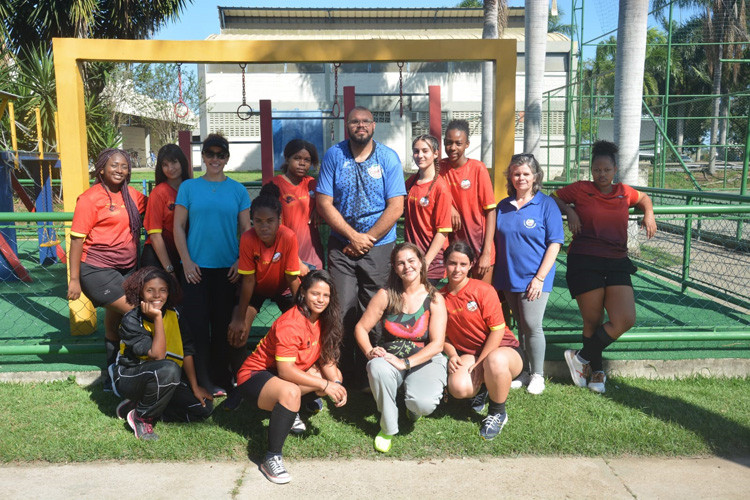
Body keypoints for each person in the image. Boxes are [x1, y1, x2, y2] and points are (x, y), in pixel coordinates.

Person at [552, 140, 657, 394]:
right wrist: (570, 211)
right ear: (591, 170)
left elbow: (643, 197)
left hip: (617, 260)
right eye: (597, 170)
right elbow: (553, 198)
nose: (601, 174)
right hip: (585, 258)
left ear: (615, 170)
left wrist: (649, 212)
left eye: (606, 170)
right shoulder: (580, 189)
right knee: (593, 319)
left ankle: (581, 357)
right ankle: (596, 371)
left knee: (625, 319)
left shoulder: (624, 191)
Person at [316, 106, 406, 387]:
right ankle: (342, 372)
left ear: (374, 126)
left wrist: (367, 238)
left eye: (366, 121)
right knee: (340, 307)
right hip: (342, 245)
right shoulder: (334, 155)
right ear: (347, 125)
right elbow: (323, 203)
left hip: (379, 245)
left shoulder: (388, 158)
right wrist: (352, 236)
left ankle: (375, 371)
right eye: (354, 121)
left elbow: (396, 207)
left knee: (376, 308)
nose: (360, 125)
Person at [234, 270, 347, 484]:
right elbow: (285, 371)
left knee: (332, 378)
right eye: (315, 294)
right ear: (303, 293)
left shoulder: (324, 319)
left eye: (326, 295)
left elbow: (327, 360)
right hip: (255, 376)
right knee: (292, 391)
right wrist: (324, 383)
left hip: (282, 373)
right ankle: (271, 458)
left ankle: (289, 410)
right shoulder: (291, 322)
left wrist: (336, 384)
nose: (321, 300)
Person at [174, 133, 251, 396]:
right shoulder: (189, 188)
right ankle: (201, 379)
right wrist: (186, 262)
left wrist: (241, 260)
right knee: (196, 326)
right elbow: (178, 227)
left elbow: (247, 230)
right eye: (210, 154)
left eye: (220, 155)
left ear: (227, 158)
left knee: (221, 327)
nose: (215, 159)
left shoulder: (238, 190)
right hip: (195, 270)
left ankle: (222, 376)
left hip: (227, 271)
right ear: (203, 157)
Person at [354, 243, 447, 453]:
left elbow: (437, 344)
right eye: (401, 263)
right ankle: (387, 427)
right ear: (395, 268)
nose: (407, 267)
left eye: (411, 261)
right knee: (376, 367)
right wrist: (370, 351)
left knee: (422, 404)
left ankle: (412, 408)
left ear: (421, 263)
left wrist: (405, 363)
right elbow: (361, 327)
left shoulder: (434, 298)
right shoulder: (386, 295)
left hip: (425, 361)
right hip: (391, 359)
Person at [67, 148, 147, 388]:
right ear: (101, 168)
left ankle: (112, 373)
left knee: (113, 324)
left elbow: (159, 208)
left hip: (127, 269)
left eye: (124, 166)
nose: (119, 170)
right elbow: (77, 240)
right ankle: (134, 370)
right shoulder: (90, 198)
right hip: (96, 270)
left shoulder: (133, 196)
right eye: (114, 165)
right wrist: (74, 280)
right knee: (138, 313)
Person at [111, 267, 214, 441]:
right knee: (169, 368)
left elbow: (187, 350)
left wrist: (195, 387)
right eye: (150, 290)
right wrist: (157, 318)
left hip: (164, 377)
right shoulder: (131, 319)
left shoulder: (176, 315)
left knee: (202, 409)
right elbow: (157, 355)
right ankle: (142, 418)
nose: (157, 295)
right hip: (130, 377)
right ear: (140, 293)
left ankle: (140, 407)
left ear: (169, 292)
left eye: (163, 290)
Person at [494, 153, 564, 395]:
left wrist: (539, 278)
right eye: (516, 173)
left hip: (534, 278)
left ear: (535, 177)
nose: (520, 177)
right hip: (507, 277)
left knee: (533, 325)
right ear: (510, 177)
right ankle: (524, 372)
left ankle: (538, 375)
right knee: (522, 326)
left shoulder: (546, 205)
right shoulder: (503, 206)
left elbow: (555, 243)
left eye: (525, 173)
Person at [441, 241, 523, 441]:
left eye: (463, 264)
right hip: (471, 354)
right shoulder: (438, 297)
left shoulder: (483, 290)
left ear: (470, 266)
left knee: (494, 361)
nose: (457, 269)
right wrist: (452, 355)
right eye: (452, 263)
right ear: (444, 264)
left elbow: (497, 332)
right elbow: (441, 336)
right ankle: (485, 388)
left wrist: (480, 364)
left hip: (504, 351)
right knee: (459, 388)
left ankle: (497, 412)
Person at [228, 183, 302, 349]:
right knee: (237, 330)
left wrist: (301, 309)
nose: (264, 226)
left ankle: (294, 368)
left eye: (270, 221)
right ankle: (241, 372)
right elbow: (248, 280)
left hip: (284, 288)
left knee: (299, 326)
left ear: (279, 220)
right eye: (259, 221)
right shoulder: (248, 238)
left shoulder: (288, 236)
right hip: (256, 289)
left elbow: (292, 277)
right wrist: (240, 319)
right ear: (252, 221)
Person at [439, 119, 497, 283]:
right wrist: (449, 207)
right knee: (458, 297)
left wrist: (486, 253)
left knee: (481, 298)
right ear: (444, 143)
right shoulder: (438, 168)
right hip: (456, 249)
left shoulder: (478, 168)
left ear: (467, 144)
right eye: (449, 143)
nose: (453, 147)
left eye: (458, 143)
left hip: (479, 245)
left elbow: (491, 212)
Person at [404, 134, 453, 285]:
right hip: (412, 258)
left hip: (431, 262)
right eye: (416, 151)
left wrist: (425, 263)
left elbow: (442, 231)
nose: (420, 156)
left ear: (436, 153)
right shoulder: (411, 182)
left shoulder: (440, 187)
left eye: (425, 151)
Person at [270, 139, 324, 271]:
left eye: (307, 160)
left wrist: (319, 206)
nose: (302, 163)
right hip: (285, 250)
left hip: (312, 252)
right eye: (297, 158)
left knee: (314, 289)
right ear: (287, 158)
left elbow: (328, 203)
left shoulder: (313, 184)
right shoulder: (275, 185)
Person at [141, 144, 191, 278]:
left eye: (174, 162)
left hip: (184, 254)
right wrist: (169, 270)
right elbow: (155, 235)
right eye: (165, 164)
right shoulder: (159, 193)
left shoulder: (192, 189)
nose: (170, 168)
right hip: (159, 256)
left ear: (182, 162)